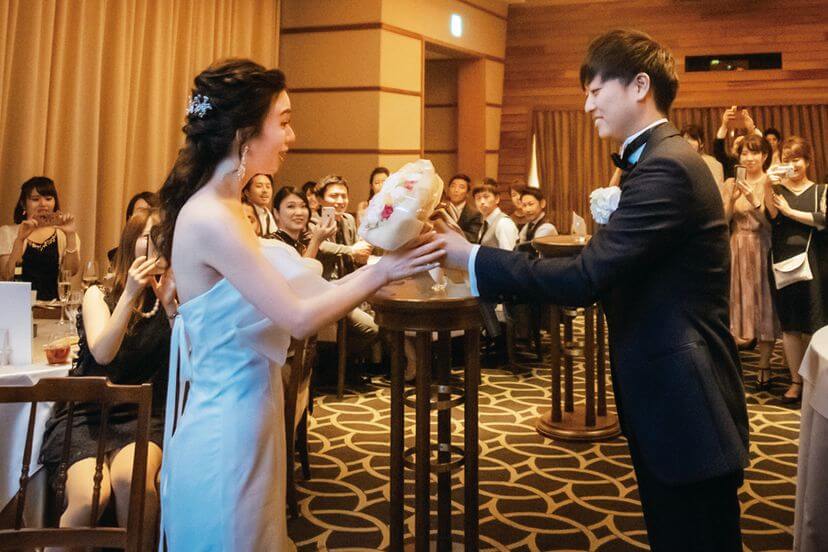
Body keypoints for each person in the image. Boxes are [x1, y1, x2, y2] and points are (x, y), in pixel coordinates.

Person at [437, 29, 749, 551]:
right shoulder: (655, 160)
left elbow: (585, 278)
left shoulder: (667, 167)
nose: (587, 106)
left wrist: (469, 257)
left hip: (685, 401)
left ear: (640, 86)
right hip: (671, 393)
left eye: (596, 90)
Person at [156, 59, 443, 551]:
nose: (292, 136)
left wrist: (388, 259)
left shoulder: (227, 209)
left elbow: (298, 296)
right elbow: (297, 316)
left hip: (253, 410)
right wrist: (383, 270)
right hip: (227, 427)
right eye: (284, 122)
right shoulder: (211, 216)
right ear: (245, 133)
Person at [40, 209, 175, 551]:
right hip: (87, 414)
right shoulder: (98, 294)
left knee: (133, 481)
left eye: (166, 236)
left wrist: (171, 306)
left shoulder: (174, 295)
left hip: (144, 414)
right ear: (131, 242)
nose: (159, 244)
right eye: (150, 236)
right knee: (89, 498)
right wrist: (130, 293)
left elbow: (189, 358)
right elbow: (103, 353)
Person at [765, 136, 827, 404]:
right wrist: (767, 182)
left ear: (808, 161)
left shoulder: (821, 190)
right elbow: (771, 216)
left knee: (815, 325)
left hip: (815, 264)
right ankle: (796, 382)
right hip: (783, 263)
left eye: (797, 159)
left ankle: (816, 383)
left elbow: (824, 220)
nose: (793, 165)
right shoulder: (777, 190)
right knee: (789, 326)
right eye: (787, 160)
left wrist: (791, 212)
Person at [720, 134, 778, 387]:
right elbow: (723, 220)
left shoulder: (769, 182)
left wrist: (755, 201)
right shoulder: (730, 182)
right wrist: (732, 200)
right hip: (736, 246)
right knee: (735, 303)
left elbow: (772, 224)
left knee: (764, 304)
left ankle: (764, 364)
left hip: (762, 246)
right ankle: (732, 363)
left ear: (764, 156)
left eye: (755, 153)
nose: (749, 158)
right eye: (745, 153)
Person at [0, 176, 80, 299]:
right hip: (17, 304)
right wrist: (20, 239)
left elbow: (71, 272)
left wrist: (70, 235)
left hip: (53, 306)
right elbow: (8, 276)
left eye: (48, 199)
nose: (43, 204)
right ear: (23, 204)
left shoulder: (63, 234)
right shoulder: (7, 233)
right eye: (35, 199)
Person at [313, 174, 372, 280]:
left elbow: (356, 253)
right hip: (323, 280)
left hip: (348, 279)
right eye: (334, 196)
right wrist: (351, 250)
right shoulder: (313, 220)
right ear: (320, 199)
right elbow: (321, 246)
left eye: (344, 196)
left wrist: (362, 255)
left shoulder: (348, 219)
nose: (340, 201)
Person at [270, 185, 336, 258]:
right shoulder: (271, 244)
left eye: (303, 206)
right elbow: (301, 265)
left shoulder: (303, 243)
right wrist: (316, 241)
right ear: (276, 213)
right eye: (291, 206)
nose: (299, 212)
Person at [108, 191, 160, 264]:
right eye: (141, 212)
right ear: (129, 219)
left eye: (150, 211)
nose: (146, 216)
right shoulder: (117, 256)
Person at [714, 106, 762, 179]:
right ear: (731, 149)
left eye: (743, 145)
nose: (740, 147)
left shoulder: (754, 160)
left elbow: (763, 146)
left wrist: (752, 128)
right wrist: (724, 125)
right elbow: (718, 149)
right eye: (737, 144)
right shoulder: (729, 162)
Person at [472, 180, 519, 250]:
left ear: (497, 199)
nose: (482, 202)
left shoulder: (503, 223)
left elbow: (509, 254)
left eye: (486, 197)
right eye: (478, 198)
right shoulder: (485, 223)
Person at [515, 187, 558, 254]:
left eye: (531, 204)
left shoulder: (547, 227)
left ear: (542, 203)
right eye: (524, 205)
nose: (527, 210)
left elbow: (533, 251)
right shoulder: (528, 225)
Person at [445, 173, 482, 242]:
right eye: (453, 186)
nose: (456, 190)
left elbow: (473, 238)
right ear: (448, 189)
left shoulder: (475, 214)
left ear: (467, 193)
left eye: (461, 187)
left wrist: (448, 231)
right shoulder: (440, 209)